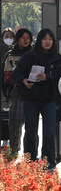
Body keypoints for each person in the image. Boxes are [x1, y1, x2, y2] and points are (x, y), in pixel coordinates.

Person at [12, 29, 61, 170]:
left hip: (49, 99)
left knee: (49, 132)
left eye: (50, 39)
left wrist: (48, 77)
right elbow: (17, 73)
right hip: (31, 98)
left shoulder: (58, 58)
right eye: (44, 39)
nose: (47, 42)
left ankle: (48, 162)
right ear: (39, 40)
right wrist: (23, 80)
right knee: (30, 131)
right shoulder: (29, 56)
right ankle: (30, 161)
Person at [2, 28, 33, 158]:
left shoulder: (34, 54)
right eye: (23, 37)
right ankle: (14, 151)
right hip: (16, 94)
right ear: (18, 39)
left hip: (33, 95)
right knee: (15, 124)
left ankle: (30, 154)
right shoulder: (10, 54)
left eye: (28, 38)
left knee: (31, 127)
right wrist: (7, 93)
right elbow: (4, 76)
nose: (25, 40)